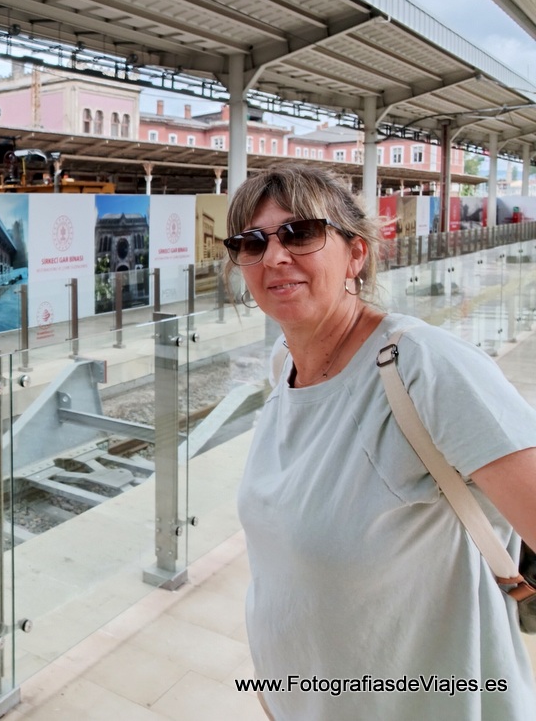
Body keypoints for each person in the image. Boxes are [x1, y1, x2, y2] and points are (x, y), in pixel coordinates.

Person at [226, 162, 536, 720]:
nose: (274, 257)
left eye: (301, 234)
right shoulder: (284, 367)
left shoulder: (422, 364)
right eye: (252, 242)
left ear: (356, 254)